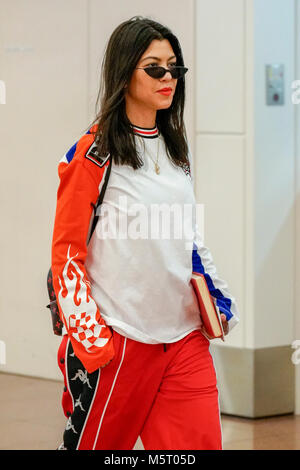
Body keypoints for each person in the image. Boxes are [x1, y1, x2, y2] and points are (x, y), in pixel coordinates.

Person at [51, 16, 239, 451]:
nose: (167, 76)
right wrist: (95, 342)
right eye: (154, 67)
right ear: (124, 72)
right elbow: (66, 255)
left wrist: (217, 296)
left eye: (174, 67)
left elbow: (187, 238)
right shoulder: (93, 154)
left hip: (184, 340)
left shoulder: (176, 149)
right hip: (119, 342)